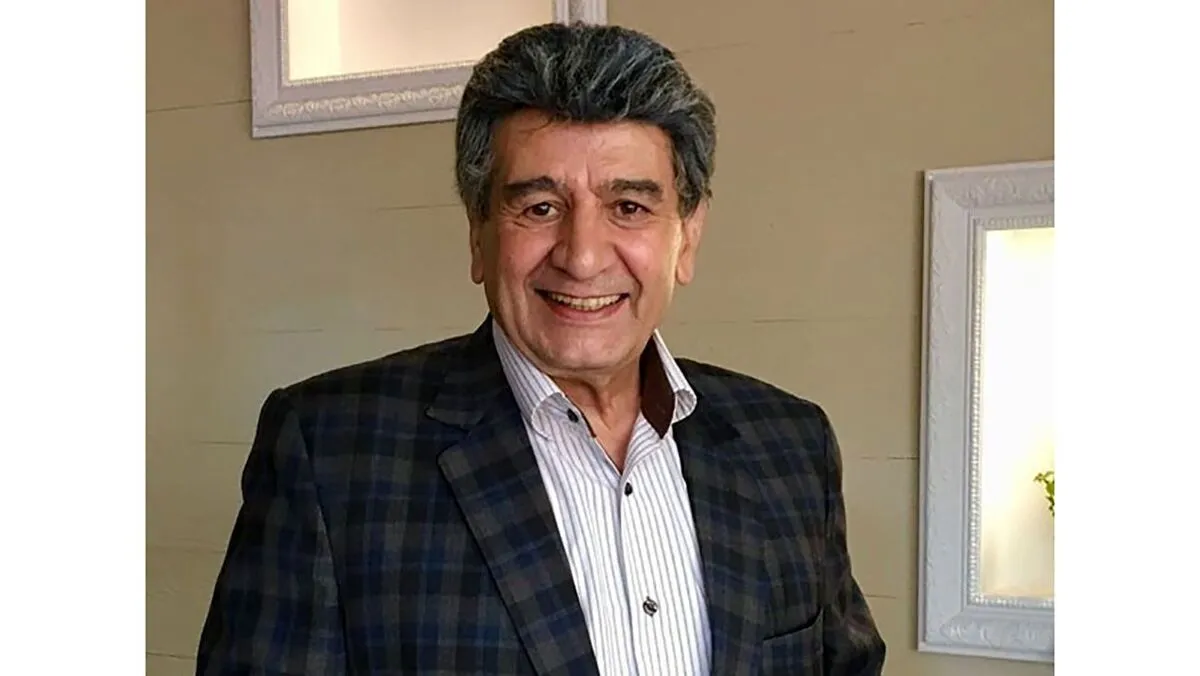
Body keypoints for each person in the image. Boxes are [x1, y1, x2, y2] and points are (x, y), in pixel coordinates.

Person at [196, 21, 885, 676]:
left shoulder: (790, 445)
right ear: (478, 233)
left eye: (629, 207)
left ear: (688, 235)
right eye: (539, 208)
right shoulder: (329, 451)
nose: (582, 257)